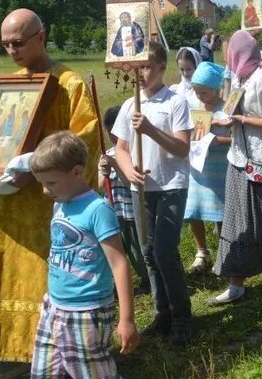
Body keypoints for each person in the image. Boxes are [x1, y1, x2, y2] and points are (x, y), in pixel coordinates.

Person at [0, 9, 100, 379]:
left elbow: (86, 143)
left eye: (17, 42)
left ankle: (52, 363)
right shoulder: (9, 85)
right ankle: (5, 360)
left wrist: (33, 162)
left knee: (42, 288)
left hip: (48, 212)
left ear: (41, 37)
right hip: (4, 208)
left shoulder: (69, 85)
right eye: (4, 44)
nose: (10, 51)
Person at [29, 132, 139, 378]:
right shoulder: (60, 203)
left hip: (87, 312)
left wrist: (127, 319)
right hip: (54, 306)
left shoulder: (97, 210)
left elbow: (119, 264)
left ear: (77, 172)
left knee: (91, 372)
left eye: (52, 183)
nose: (46, 191)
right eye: (42, 183)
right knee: (44, 372)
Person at [112, 41, 193, 345]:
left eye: (146, 67)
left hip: (171, 185)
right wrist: (128, 169)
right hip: (141, 188)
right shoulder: (130, 105)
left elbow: (182, 147)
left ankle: (183, 316)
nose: (141, 74)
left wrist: (150, 131)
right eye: (137, 68)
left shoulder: (175, 102)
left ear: (161, 68)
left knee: (165, 251)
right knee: (147, 252)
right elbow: (120, 148)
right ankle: (164, 313)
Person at [207, 30, 262, 306]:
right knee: (235, 221)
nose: (228, 56)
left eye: (232, 51)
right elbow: (232, 113)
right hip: (238, 159)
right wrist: (224, 120)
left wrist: (241, 118)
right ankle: (236, 282)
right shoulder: (239, 78)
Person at [182, 62, 230, 275]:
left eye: (204, 92)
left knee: (221, 211)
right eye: (197, 92)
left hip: (220, 168)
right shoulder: (195, 109)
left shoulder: (226, 109)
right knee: (194, 209)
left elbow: (237, 138)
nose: (200, 96)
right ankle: (202, 251)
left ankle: (225, 251)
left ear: (216, 89)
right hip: (198, 170)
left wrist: (217, 140)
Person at [99, 106, 150, 296]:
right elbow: (99, 185)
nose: (114, 136)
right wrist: (105, 171)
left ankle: (147, 279)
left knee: (137, 250)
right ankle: (118, 284)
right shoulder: (107, 154)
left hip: (131, 211)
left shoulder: (135, 153)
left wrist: (115, 165)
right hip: (113, 211)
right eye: (110, 132)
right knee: (115, 250)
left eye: (117, 130)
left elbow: (131, 184)